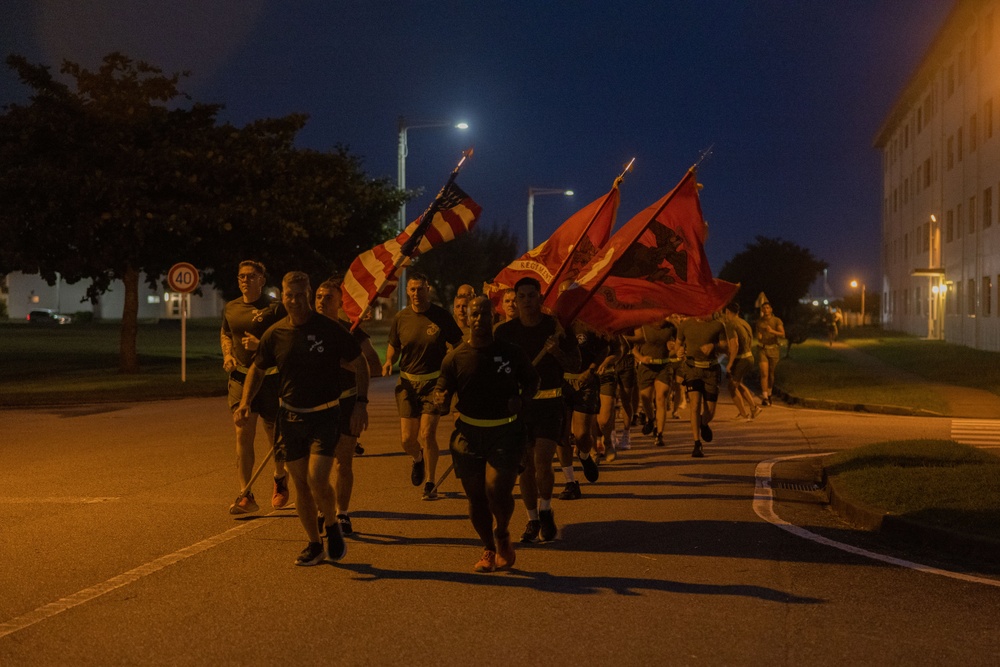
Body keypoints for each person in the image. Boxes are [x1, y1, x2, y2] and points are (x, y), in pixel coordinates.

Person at [235, 272, 369, 566]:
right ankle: (314, 544)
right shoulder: (276, 334)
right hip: (291, 417)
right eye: (288, 295)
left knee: (317, 477)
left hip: (325, 414)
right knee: (301, 485)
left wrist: (360, 403)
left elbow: (360, 364)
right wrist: (245, 402)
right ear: (282, 296)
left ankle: (332, 523)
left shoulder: (329, 329)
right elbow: (258, 369)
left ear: (307, 294)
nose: (294, 301)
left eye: (299, 294)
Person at [434, 297, 539, 572]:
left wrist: (523, 399)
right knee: (476, 498)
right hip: (468, 435)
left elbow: (532, 382)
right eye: (475, 314)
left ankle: (502, 532)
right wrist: (441, 400)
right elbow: (443, 390)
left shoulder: (512, 352)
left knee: (496, 490)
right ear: (467, 319)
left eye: (485, 314)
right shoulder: (455, 358)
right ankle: (488, 548)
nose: (480, 319)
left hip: (505, 432)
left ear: (495, 318)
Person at [494, 277, 580, 543]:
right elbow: (496, 370)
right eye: (522, 296)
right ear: (515, 300)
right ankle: (532, 519)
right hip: (520, 407)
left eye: (532, 296)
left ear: (541, 298)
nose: (527, 301)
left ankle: (545, 509)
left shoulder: (555, 329)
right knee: (525, 467)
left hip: (550, 404)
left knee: (543, 460)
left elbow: (575, 365)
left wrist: (556, 353)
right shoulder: (504, 333)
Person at [383, 272, 465, 500]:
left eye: (420, 289)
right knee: (407, 439)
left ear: (427, 289)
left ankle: (430, 481)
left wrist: (454, 365)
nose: (416, 294)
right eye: (412, 289)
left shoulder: (441, 316)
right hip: (408, 384)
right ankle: (417, 458)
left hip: (434, 384)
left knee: (427, 433)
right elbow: (394, 345)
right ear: (407, 291)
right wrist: (389, 360)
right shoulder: (401, 318)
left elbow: (458, 343)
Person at [221, 260, 289, 514]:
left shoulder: (275, 309)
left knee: (275, 438)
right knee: (243, 433)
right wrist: (227, 355)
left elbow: (285, 342)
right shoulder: (231, 307)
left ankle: (280, 477)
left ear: (262, 279)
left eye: (251, 276)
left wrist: (260, 346)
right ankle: (245, 493)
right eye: (241, 276)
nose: (245, 280)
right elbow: (226, 333)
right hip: (240, 379)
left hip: (269, 379)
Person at [314, 279, 380, 536]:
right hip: (316, 405)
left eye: (328, 297)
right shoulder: (304, 330)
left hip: (346, 402)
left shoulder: (351, 332)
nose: (322, 301)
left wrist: (345, 364)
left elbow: (374, 366)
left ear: (340, 302)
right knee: (318, 464)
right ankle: (323, 510)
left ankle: (342, 513)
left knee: (343, 462)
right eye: (318, 296)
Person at [558, 323, 615, 499]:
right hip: (561, 384)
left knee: (582, 435)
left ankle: (584, 455)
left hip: (586, 383)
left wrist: (591, 369)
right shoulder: (555, 322)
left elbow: (605, 350)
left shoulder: (591, 323)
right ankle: (570, 482)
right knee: (562, 435)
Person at [676, 312, 727, 457]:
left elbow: (725, 346)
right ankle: (697, 443)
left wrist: (714, 345)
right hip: (692, 369)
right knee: (695, 405)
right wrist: (678, 351)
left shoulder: (718, 325)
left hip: (711, 370)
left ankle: (704, 424)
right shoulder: (685, 324)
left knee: (710, 411)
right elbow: (678, 345)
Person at [632, 317, 676, 447]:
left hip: (664, 367)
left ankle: (660, 434)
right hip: (646, 367)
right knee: (646, 399)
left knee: (661, 398)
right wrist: (641, 358)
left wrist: (673, 349)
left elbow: (678, 347)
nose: (660, 321)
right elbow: (633, 348)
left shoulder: (671, 327)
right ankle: (651, 419)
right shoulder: (641, 326)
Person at [722, 302, 760, 420]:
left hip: (741, 359)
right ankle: (753, 408)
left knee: (732, 387)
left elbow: (735, 345)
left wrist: (730, 363)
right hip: (749, 357)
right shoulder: (744, 323)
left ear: (727, 312)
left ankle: (744, 414)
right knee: (737, 384)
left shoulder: (731, 325)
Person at [756, 300, 785, 406]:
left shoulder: (777, 320)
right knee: (764, 373)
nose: (766, 310)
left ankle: (769, 393)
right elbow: (758, 335)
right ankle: (764, 397)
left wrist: (772, 331)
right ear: (762, 310)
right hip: (762, 349)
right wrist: (759, 336)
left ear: (771, 309)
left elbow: (782, 334)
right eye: (764, 308)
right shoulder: (759, 321)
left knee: (771, 375)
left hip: (773, 349)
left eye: (768, 308)